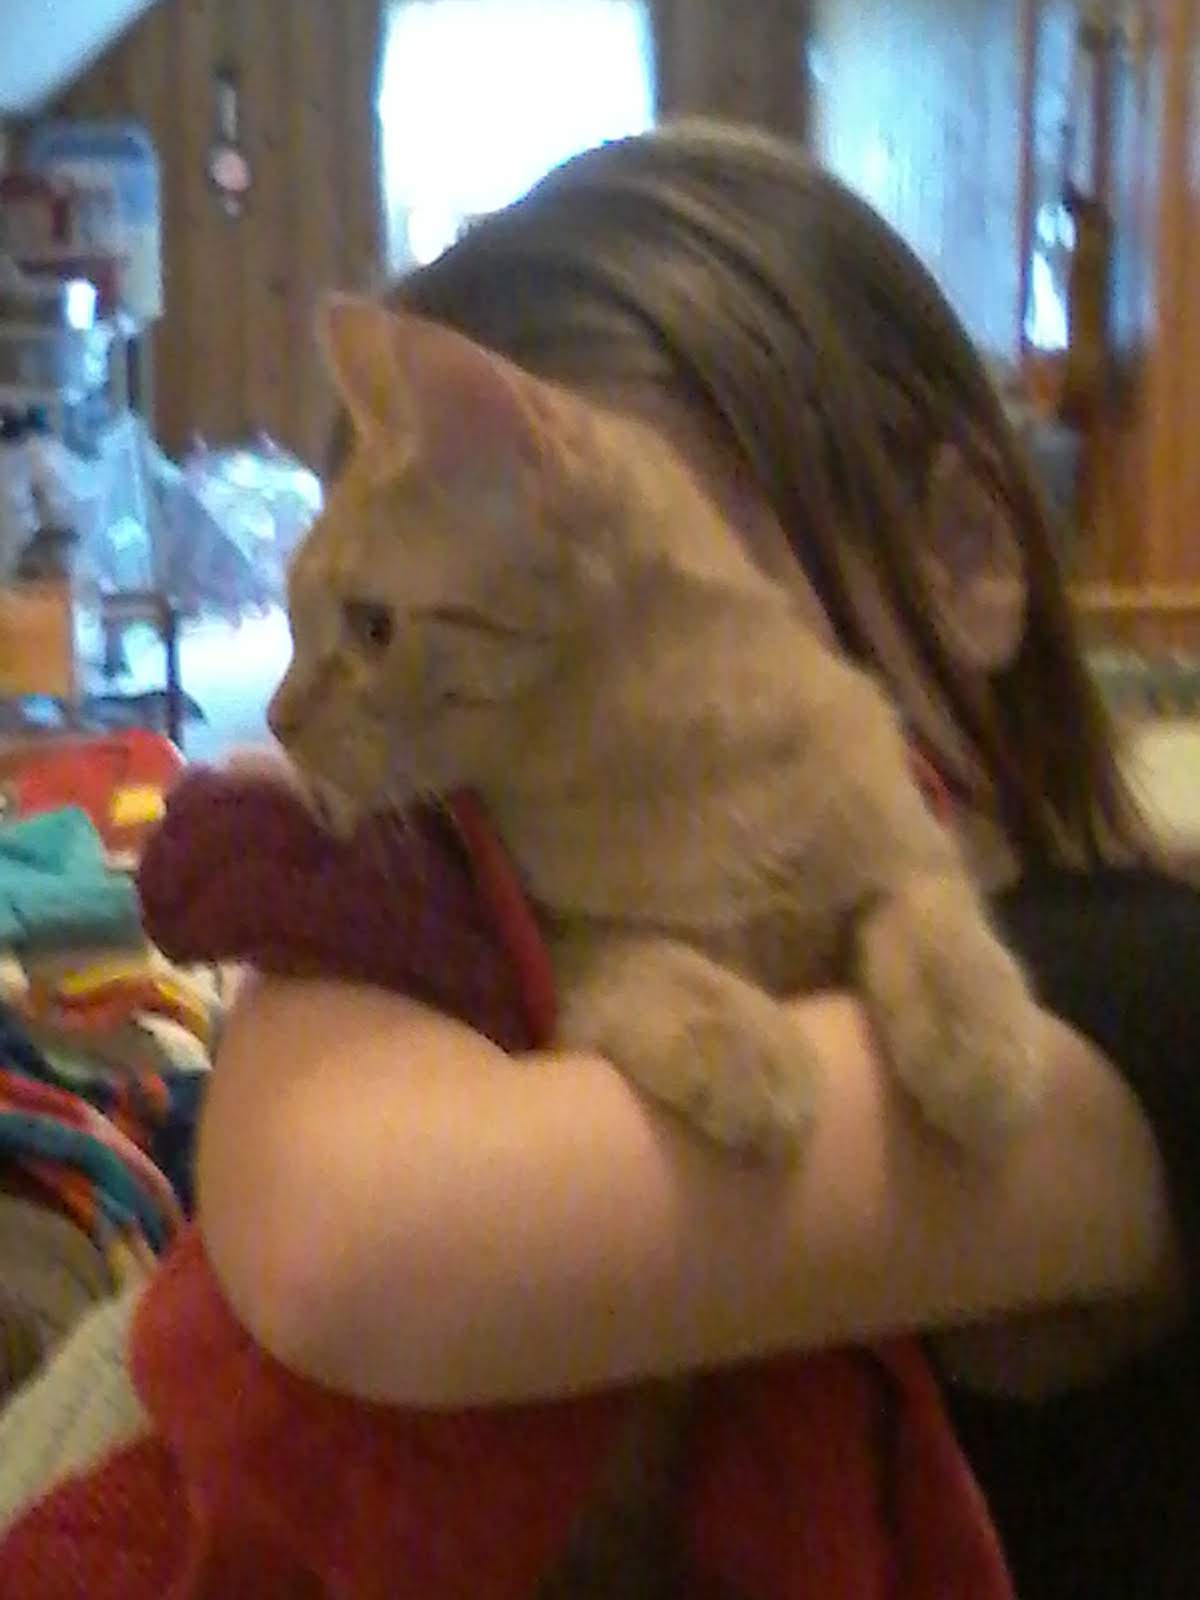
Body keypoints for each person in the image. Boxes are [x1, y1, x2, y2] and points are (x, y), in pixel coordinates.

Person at [197, 122, 1200, 1594]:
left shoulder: (1140, 997)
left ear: (968, 561)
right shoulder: (535, 883)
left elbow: (359, 1249)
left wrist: (301, 990)